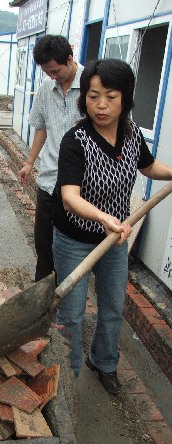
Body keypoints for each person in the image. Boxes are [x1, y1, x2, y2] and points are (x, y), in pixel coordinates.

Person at [52, 58, 172, 394]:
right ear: (84, 98)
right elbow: (69, 198)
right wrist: (104, 217)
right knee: (72, 314)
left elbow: (147, 167)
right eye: (92, 96)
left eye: (110, 96)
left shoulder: (131, 133)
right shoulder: (75, 140)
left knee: (112, 308)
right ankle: (67, 378)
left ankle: (103, 362)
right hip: (74, 239)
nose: (100, 105)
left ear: (126, 98)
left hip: (115, 241)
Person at [18, 35, 84, 281]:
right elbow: (41, 127)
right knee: (44, 244)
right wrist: (29, 163)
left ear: (70, 58)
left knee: (72, 248)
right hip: (49, 179)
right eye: (48, 72)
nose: (53, 76)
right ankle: (43, 302)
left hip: (80, 186)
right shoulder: (47, 87)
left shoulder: (91, 85)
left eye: (56, 71)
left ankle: (67, 299)